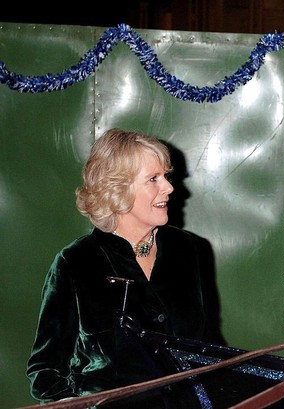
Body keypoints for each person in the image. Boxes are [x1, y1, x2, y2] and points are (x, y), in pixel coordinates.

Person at [27, 128, 213, 408]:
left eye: (166, 176)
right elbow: (45, 370)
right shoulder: (76, 262)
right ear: (117, 190)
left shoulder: (186, 249)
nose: (169, 188)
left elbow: (201, 349)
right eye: (153, 179)